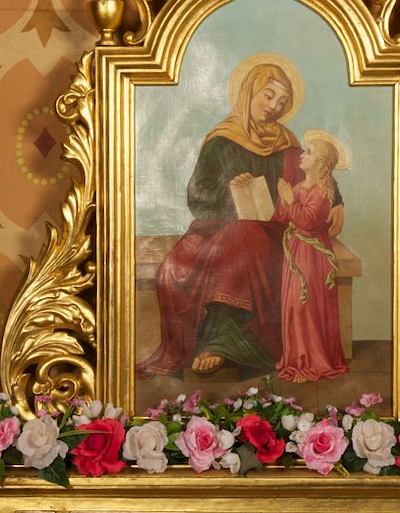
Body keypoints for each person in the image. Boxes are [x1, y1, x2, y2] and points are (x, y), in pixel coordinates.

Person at [136, 57, 343, 379]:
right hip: (217, 227)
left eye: (282, 102)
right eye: (268, 95)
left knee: (245, 238)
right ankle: (201, 343)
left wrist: (337, 201)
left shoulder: (286, 143)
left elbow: (317, 172)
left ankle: (223, 343)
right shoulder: (221, 140)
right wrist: (231, 191)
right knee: (174, 266)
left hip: (272, 231)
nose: (274, 107)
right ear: (248, 92)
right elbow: (197, 195)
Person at [275, 132, 349, 383]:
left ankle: (310, 363)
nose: (302, 155)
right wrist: (284, 200)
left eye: (308, 152)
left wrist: (289, 202)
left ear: (319, 163)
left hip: (312, 254)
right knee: (292, 305)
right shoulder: (299, 187)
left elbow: (307, 220)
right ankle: (296, 359)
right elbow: (287, 217)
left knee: (305, 306)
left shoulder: (323, 192)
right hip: (296, 251)